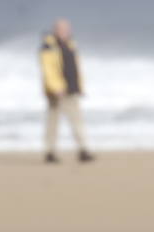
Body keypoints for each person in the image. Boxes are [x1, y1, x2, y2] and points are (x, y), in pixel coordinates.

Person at [39, 19, 94, 163]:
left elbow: (75, 68)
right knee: (53, 122)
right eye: (61, 29)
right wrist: (56, 87)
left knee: (77, 120)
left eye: (66, 29)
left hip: (71, 90)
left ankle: (83, 150)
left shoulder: (70, 44)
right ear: (55, 30)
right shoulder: (48, 46)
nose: (64, 32)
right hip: (57, 91)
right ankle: (50, 152)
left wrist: (80, 87)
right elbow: (48, 69)